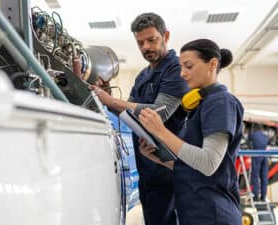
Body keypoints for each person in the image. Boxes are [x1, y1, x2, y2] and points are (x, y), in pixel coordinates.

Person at [91, 13, 188, 225]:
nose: (145, 47)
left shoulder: (176, 69)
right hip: (148, 170)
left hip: (169, 171)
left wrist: (111, 102)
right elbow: (128, 116)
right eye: (140, 42)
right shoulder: (143, 76)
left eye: (151, 40)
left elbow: (158, 113)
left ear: (166, 36)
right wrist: (107, 98)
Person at [138, 39, 244, 225]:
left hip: (213, 214)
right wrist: (161, 159)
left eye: (188, 66)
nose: (182, 74)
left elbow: (208, 162)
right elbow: (195, 166)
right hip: (197, 212)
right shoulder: (202, 104)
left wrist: (160, 131)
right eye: (181, 67)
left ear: (212, 64)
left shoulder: (220, 102)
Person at [249, 123, 269, 201]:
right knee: (264, 176)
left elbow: (248, 144)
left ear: (255, 128)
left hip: (257, 155)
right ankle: (263, 197)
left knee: (255, 176)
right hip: (265, 156)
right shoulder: (265, 136)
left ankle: (256, 196)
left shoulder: (252, 135)